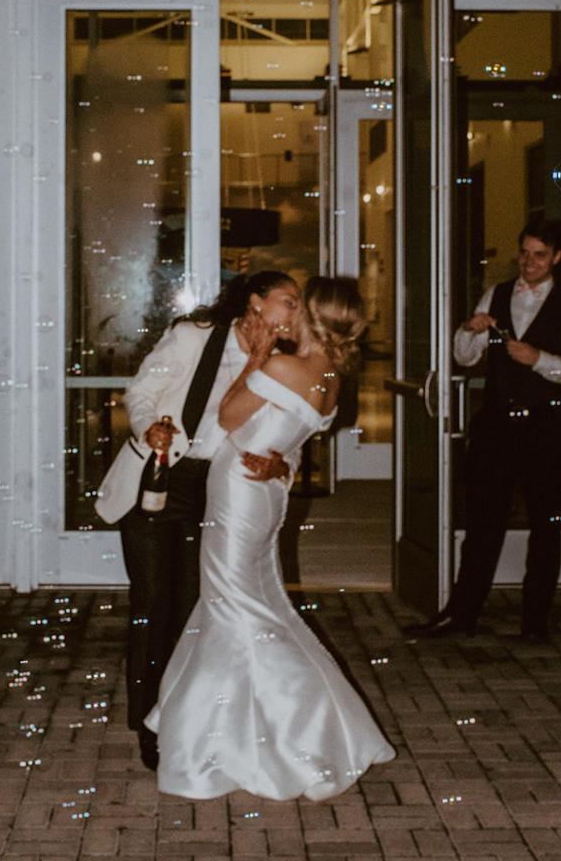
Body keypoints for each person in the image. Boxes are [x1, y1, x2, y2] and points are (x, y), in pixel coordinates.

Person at [145, 276, 395, 801]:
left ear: (314, 316)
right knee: (250, 603)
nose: (292, 310)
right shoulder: (329, 374)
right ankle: (231, 730)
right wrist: (281, 462)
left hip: (240, 493)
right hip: (268, 490)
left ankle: (300, 722)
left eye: (301, 304)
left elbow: (229, 416)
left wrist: (258, 357)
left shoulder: (283, 365)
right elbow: (296, 435)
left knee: (237, 608)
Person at [95, 270, 303, 770]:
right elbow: (140, 393)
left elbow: (292, 437)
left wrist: (283, 467)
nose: (296, 312)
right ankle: (148, 724)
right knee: (151, 603)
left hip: (222, 490)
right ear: (255, 302)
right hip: (162, 477)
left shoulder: (286, 365)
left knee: (194, 610)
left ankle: (179, 718)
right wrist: (153, 429)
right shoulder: (195, 335)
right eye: (288, 301)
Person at [405, 219, 561, 642]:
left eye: (539, 255)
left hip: (546, 431)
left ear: (557, 257)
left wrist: (540, 359)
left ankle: (535, 623)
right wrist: (467, 331)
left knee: (545, 527)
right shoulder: (497, 294)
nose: (529, 263)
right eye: (524, 253)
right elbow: (466, 356)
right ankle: (462, 613)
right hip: (495, 428)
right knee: (481, 526)